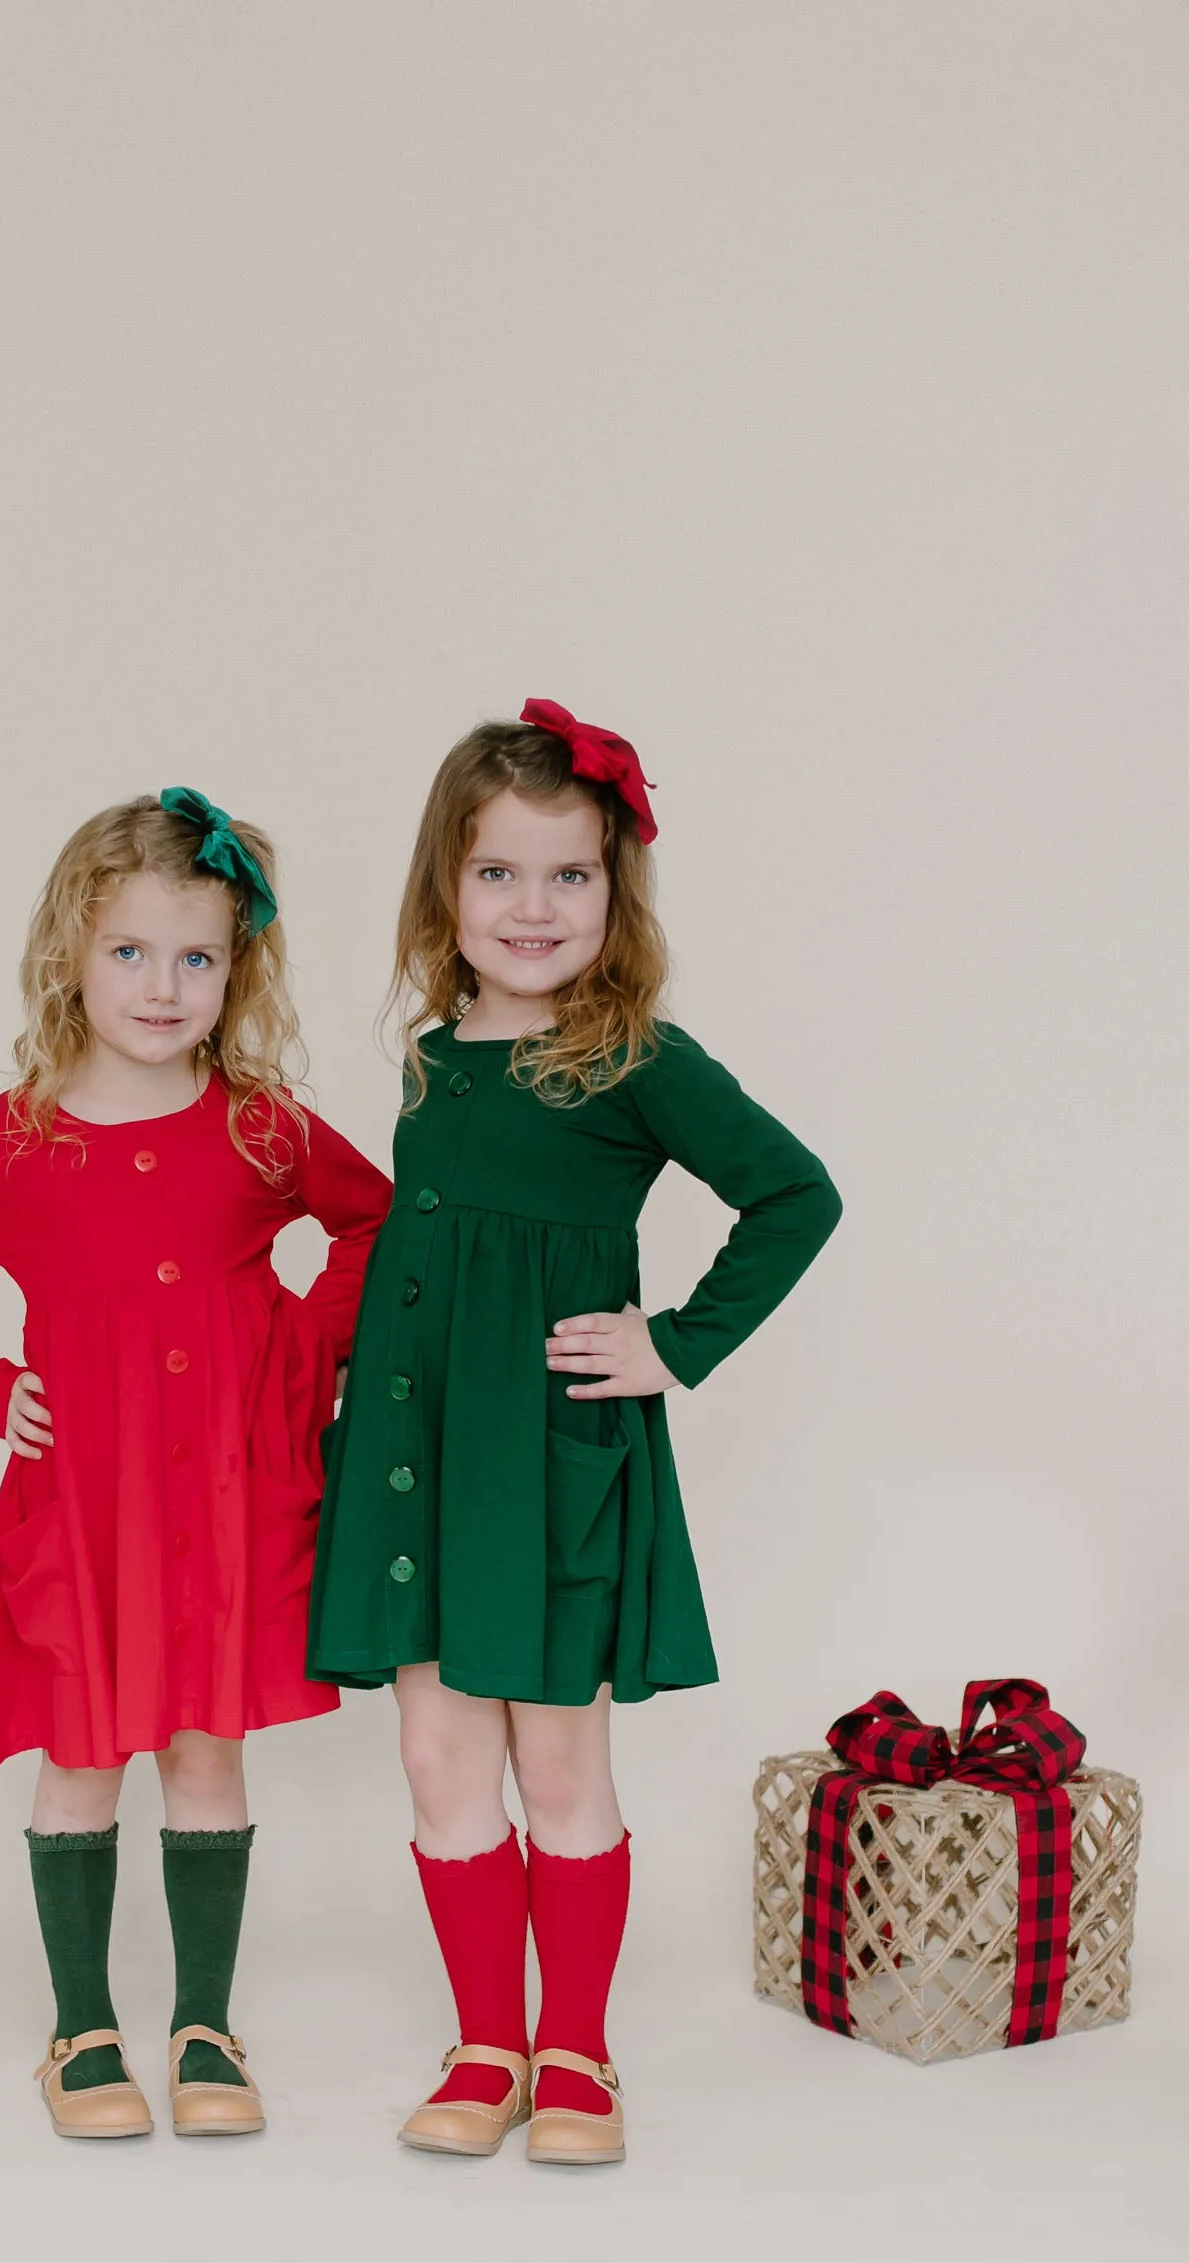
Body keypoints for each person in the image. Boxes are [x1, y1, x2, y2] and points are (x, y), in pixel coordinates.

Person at [307, 703, 840, 2165]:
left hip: (548, 1468)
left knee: (557, 1761)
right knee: (434, 1756)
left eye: (570, 876)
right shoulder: (433, 1060)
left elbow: (796, 1194)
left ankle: (579, 2047)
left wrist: (672, 1341)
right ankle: (485, 2040)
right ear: (444, 890)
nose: (533, 908)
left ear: (616, 893)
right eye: (497, 875)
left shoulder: (635, 1057)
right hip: (417, 1461)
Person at [0, 788, 390, 2141]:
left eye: (197, 957)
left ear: (235, 969)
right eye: (131, 953)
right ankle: (80, 2028)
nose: (164, 986)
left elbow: (375, 1225)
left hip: (224, 1491)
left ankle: (205, 2022)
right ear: (71, 957)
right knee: (84, 1750)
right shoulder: (13, 1136)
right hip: (87, 1499)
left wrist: (303, 1355)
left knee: (207, 1749)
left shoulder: (261, 1126)